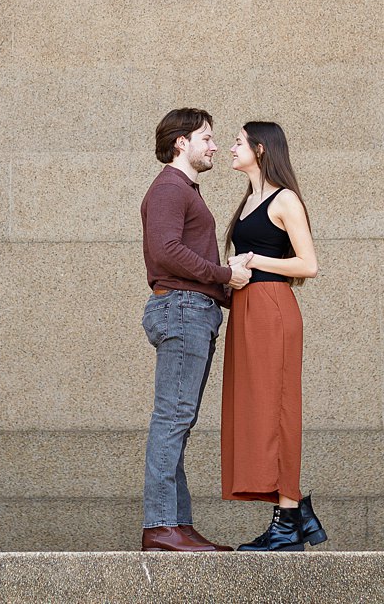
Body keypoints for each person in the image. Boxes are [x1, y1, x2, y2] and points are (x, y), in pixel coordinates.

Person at [139, 107, 251, 552]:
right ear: (181, 142)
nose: (215, 146)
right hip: (183, 309)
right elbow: (165, 251)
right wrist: (224, 275)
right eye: (207, 137)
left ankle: (177, 526)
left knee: (178, 422)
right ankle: (162, 527)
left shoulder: (182, 189)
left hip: (190, 310)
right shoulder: (169, 187)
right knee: (171, 421)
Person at [220, 120, 328, 551]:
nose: (231, 147)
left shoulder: (285, 200)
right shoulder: (249, 199)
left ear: (261, 149)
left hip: (272, 311)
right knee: (257, 410)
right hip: (247, 310)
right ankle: (295, 514)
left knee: (278, 408)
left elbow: (308, 265)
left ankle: (288, 522)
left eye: (239, 142)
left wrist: (255, 259)